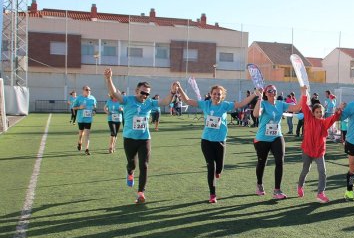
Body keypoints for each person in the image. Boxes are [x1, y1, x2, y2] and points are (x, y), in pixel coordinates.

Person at [175, 83, 260, 203]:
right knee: (211, 166)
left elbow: (241, 104)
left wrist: (254, 94)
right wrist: (179, 88)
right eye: (214, 94)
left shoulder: (225, 105)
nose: (216, 96)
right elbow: (188, 101)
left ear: (222, 96)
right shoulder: (206, 104)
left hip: (220, 141)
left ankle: (218, 171)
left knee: (219, 168)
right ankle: (212, 194)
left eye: (219, 94)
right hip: (206, 140)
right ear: (210, 95)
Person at [104, 68, 177, 204]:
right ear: (136, 91)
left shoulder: (149, 103)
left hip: (144, 139)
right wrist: (109, 79)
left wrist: (172, 92)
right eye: (143, 92)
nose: (145, 95)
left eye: (147, 94)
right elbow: (114, 93)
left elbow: (165, 102)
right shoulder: (127, 100)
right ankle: (130, 173)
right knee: (132, 164)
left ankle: (141, 193)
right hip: (130, 139)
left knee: (144, 165)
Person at [253, 84, 302, 199]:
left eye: (274, 90)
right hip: (262, 139)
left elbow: (296, 108)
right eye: (269, 91)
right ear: (265, 93)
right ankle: (259, 184)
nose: (272, 92)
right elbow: (256, 114)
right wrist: (259, 98)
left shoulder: (281, 104)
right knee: (262, 162)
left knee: (279, 161)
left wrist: (303, 94)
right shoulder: (263, 103)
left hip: (277, 136)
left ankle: (277, 190)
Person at [297, 86, 344, 203]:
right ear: (312, 113)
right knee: (305, 170)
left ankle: (320, 193)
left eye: (320, 112)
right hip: (307, 150)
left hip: (319, 151)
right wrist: (304, 93)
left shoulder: (324, 123)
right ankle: (300, 185)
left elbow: (333, 118)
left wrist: (339, 110)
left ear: (323, 113)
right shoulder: (308, 118)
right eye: (316, 112)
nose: (319, 113)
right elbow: (304, 106)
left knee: (322, 171)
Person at [72, 86, 97, 155]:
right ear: (83, 90)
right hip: (80, 119)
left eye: (89, 90)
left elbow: (95, 107)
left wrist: (94, 111)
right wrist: (79, 107)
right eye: (87, 90)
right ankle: (79, 142)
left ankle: (87, 149)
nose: (88, 91)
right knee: (81, 134)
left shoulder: (92, 98)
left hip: (88, 119)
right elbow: (73, 108)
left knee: (87, 134)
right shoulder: (79, 98)